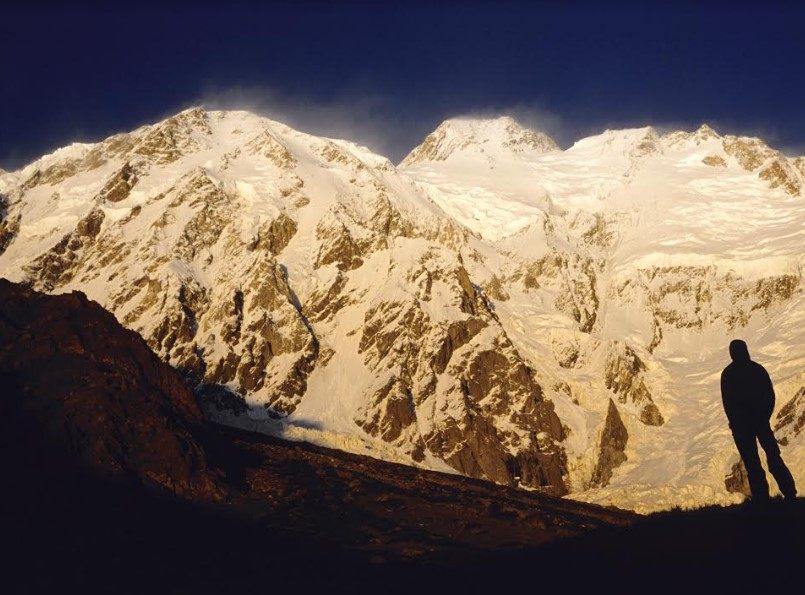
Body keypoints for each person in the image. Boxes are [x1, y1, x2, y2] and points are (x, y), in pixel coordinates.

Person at [721, 339, 797, 504]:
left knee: (752, 462)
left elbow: (728, 403)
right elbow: (769, 396)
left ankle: (762, 497)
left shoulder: (728, 374)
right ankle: (789, 491)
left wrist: (735, 421)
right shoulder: (757, 370)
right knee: (772, 456)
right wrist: (763, 417)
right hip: (760, 422)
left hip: (742, 426)